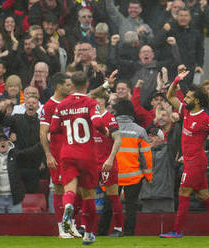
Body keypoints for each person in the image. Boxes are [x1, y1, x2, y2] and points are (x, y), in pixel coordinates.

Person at [160, 71, 209, 238]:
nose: (185, 99)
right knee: (204, 196)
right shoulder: (186, 111)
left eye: (188, 97)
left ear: (196, 101)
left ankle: (177, 231)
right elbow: (170, 96)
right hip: (190, 161)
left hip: (196, 162)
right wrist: (175, 81)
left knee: (183, 192)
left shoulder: (206, 119)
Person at [50, 71, 107, 245]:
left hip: (67, 153)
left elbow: (53, 128)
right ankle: (89, 234)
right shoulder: (91, 103)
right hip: (87, 154)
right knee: (88, 194)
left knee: (69, 189)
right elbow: (97, 123)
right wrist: (104, 131)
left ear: (72, 85)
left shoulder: (61, 105)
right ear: (87, 85)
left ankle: (68, 206)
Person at [39, 72, 80, 238]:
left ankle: (71, 224)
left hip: (75, 153)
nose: (71, 88)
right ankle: (61, 227)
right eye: (68, 85)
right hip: (58, 155)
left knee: (75, 190)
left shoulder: (72, 102)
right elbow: (43, 133)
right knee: (59, 189)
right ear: (58, 86)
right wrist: (48, 155)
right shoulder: (49, 106)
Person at [113, 99, 152, 236]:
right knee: (131, 206)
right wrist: (148, 176)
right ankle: (129, 232)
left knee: (109, 205)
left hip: (114, 175)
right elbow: (146, 156)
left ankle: (103, 231)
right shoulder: (140, 130)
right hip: (134, 176)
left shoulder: (110, 127)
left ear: (116, 111)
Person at [91, 89, 124, 238]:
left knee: (112, 196)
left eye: (99, 99)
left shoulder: (109, 118)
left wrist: (110, 159)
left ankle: (118, 228)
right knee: (86, 195)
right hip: (92, 163)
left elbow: (117, 139)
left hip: (106, 163)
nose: (96, 102)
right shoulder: (90, 118)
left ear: (104, 101)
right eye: (94, 99)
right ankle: (84, 227)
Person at [0, 132, 25, 214]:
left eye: (4, 140)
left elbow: (29, 153)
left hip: (14, 198)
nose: (2, 142)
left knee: (16, 224)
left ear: (8, 142)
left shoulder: (16, 155)